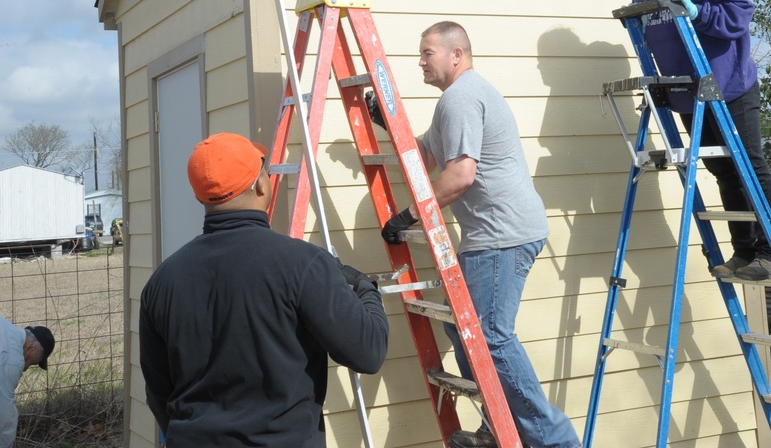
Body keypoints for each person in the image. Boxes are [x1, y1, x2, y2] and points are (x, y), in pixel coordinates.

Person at [380, 22, 582, 448]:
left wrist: (408, 216)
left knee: (488, 335)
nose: (420, 61)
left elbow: (459, 176)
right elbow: (430, 155)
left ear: (456, 54)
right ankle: (499, 425)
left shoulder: (462, 98)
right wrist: (389, 126)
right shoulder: (456, 100)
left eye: (427, 52)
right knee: (464, 331)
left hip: (501, 235)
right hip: (493, 234)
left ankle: (553, 440)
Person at [139, 132, 389, 447]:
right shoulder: (304, 264)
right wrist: (365, 288)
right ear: (261, 185)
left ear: (200, 197)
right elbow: (369, 353)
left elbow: (159, 392)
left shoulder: (161, 282)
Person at [618, 0, 771, 281]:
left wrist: (699, 13)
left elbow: (742, 10)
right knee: (722, 171)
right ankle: (744, 253)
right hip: (690, 96)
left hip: (729, 88)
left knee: (749, 166)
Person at [0, 314, 55, 448]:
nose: (25, 368)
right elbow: (3, 416)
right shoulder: (10, 357)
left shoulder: (2, 329)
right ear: (30, 347)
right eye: (32, 362)